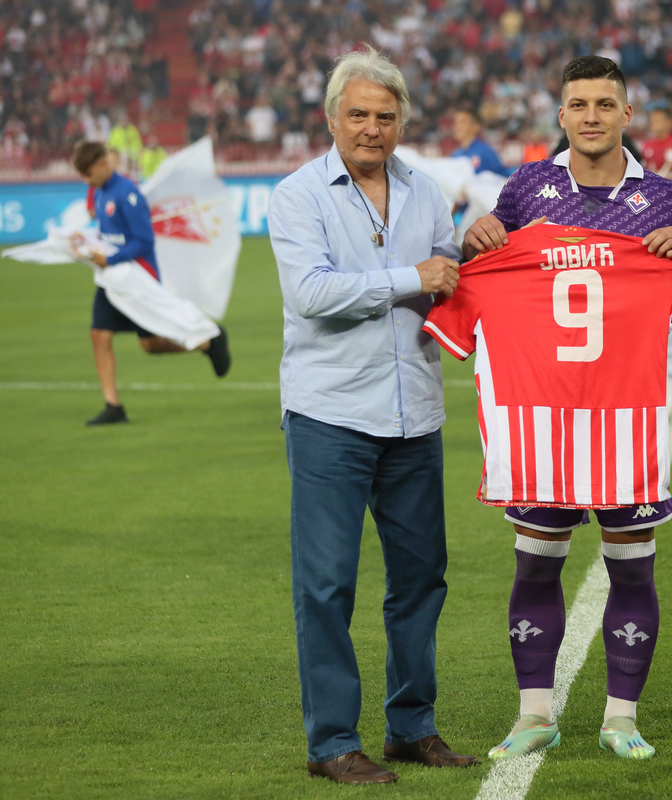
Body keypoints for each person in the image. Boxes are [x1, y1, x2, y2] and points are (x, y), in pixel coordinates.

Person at [462, 54, 672, 762]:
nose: (591, 116)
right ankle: (534, 714)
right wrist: (475, 237)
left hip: (624, 422)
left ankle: (622, 718)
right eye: (578, 104)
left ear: (628, 114)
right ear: (560, 116)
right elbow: (490, 267)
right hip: (542, 421)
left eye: (604, 104)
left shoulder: (663, 201)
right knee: (534, 566)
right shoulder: (528, 189)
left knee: (633, 570)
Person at [267, 46, 478, 786]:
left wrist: (473, 254)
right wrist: (411, 277)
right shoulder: (298, 195)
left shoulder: (425, 192)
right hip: (331, 415)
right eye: (357, 114)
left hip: (414, 414)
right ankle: (331, 743)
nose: (371, 128)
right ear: (332, 119)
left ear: (402, 122)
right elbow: (312, 294)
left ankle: (410, 727)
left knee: (422, 579)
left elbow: (451, 273)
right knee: (326, 584)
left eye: (385, 116)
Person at [74, 141, 230, 426]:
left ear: (101, 165)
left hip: (137, 278)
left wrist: (113, 258)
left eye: (87, 174)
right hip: (112, 279)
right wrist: (85, 243)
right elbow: (107, 233)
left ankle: (208, 342)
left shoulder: (128, 194)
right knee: (99, 334)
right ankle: (113, 406)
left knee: (151, 345)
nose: (86, 181)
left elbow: (144, 241)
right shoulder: (99, 193)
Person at [451, 107, 511, 177]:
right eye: (456, 122)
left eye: (462, 122)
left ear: (475, 126)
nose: (457, 126)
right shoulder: (455, 155)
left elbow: (504, 179)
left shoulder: (485, 152)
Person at [641, 103, 672, 174]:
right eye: (652, 120)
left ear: (669, 122)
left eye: (658, 120)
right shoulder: (646, 144)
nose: (654, 123)